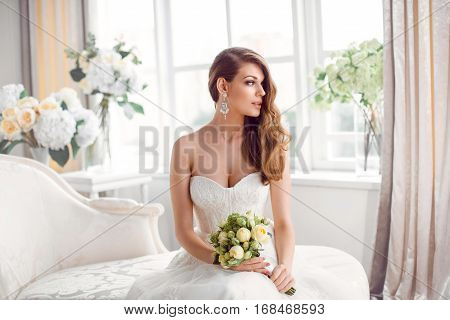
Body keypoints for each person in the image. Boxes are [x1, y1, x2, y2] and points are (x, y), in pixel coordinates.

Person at [126, 47, 370, 299]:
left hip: (262, 258)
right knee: (229, 292)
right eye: (251, 82)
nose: (262, 93)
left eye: (263, 84)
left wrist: (284, 266)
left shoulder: (271, 144)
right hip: (208, 258)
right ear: (223, 85)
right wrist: (223, 260)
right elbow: (184, 231)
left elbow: (284, 222)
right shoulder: (185, 147)